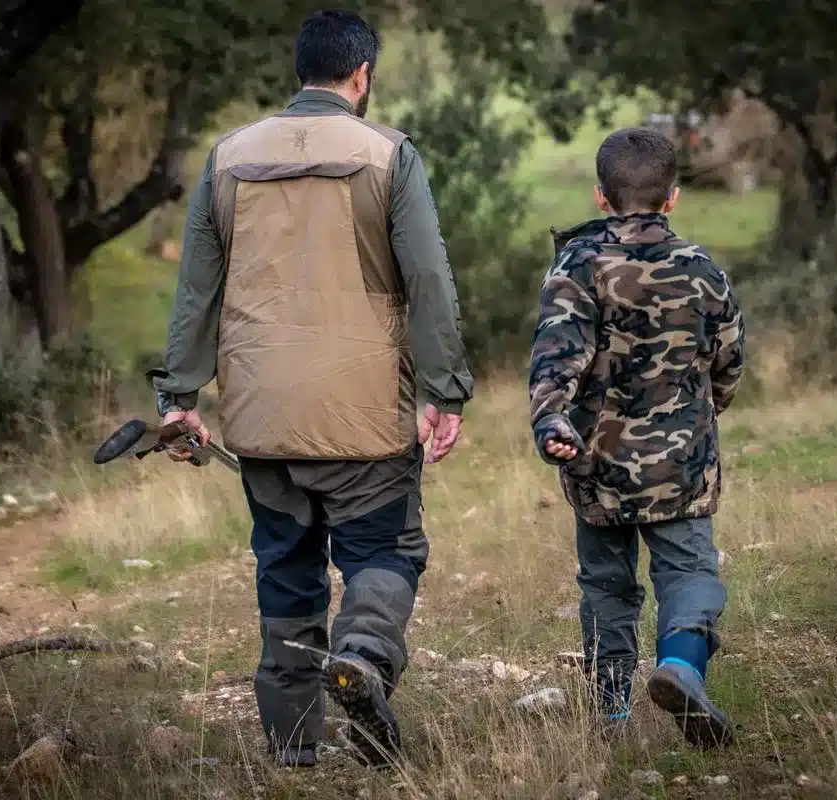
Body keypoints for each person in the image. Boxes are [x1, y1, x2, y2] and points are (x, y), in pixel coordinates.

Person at [146, 9, 474, 769]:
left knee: (286, 565)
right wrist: (445, 391)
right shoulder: (389, 154)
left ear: (301, 72)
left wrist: (181, 394)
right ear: (363, 76)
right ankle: (362, 655)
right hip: (364, 414)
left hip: (260, 412)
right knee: (385, 550)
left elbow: (198, 287)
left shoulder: (227, 157)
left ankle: (293, 743)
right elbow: (427, 278)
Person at [527, 127, 745, 749]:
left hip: (599, 466)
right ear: (672, 197)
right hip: (682, 463)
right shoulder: (703, 269)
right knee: (690, 571)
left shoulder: (577, 266)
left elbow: (555, 359)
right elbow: (729, 363)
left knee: (606, 586)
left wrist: (553, 422)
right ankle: (680, 667)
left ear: (601, 197)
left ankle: (613, 710)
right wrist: (699, 417)